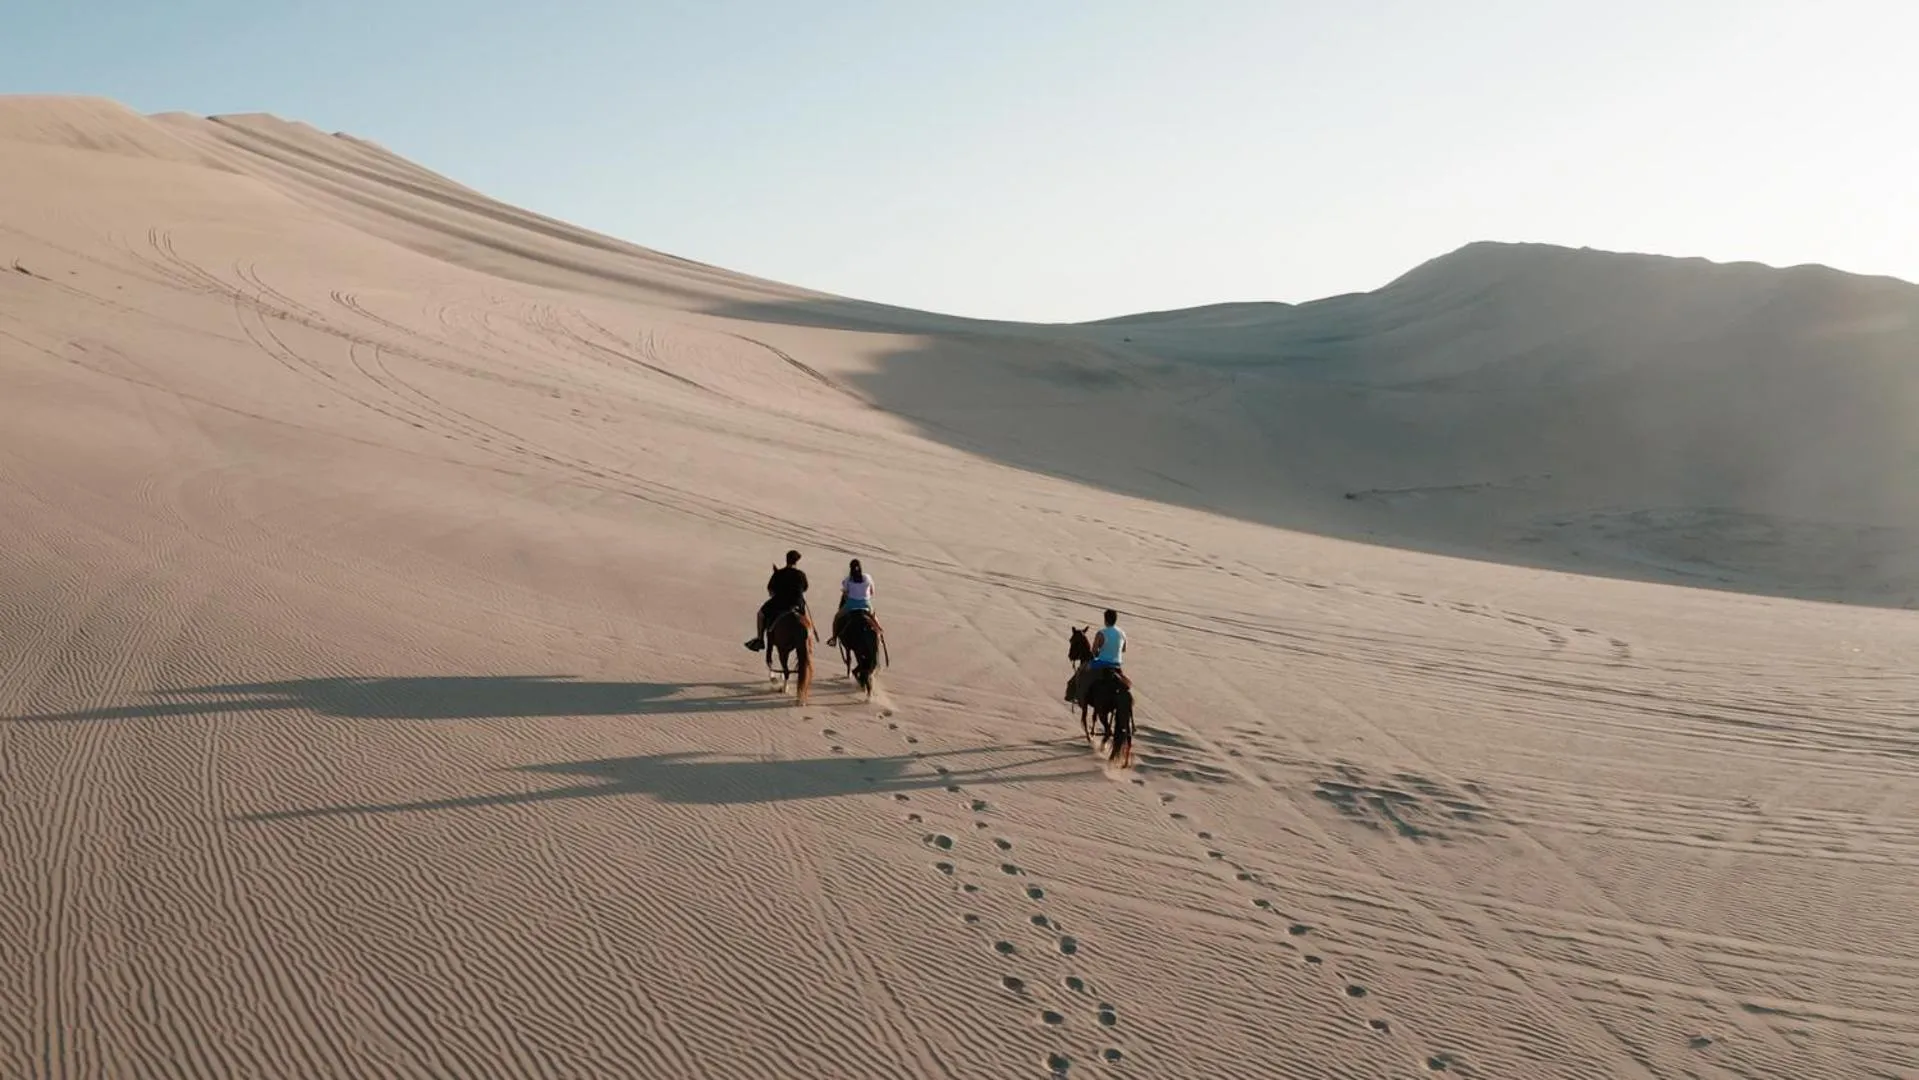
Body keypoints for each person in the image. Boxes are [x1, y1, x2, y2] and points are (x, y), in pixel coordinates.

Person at [746, 550, 809, 651]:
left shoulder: (779, 573)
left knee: (760, 614)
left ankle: (760, 639)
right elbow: (805, 588)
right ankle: (809, 639)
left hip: (780, 603)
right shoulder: (801, 574)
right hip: (797, 604)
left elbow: (771, 590)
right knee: (806, 622)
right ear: (796, 561)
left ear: (786, 560)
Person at [1071, 608, 1130, 703]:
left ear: (1105, 620)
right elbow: (1123, 650)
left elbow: (1094, 652)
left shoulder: (1101, 633)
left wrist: (1101, 652)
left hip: (1101, 664)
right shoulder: (1122, 633)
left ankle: (1076, 695)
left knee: (1081, 671)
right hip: (1117, 665)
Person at [827, 558, 876, 647]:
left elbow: (845, 595)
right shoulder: (867, 577)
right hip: (866, 604)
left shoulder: (848, 579)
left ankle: (834, 638)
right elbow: (872, 592)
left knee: (836, 618)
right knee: (873, 616)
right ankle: (879, 633)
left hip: (851, 605)